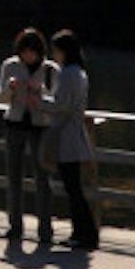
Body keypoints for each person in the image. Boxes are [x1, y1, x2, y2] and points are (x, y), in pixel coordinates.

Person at [0, 26, 56, 251]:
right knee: (14, 177)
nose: (28, 56)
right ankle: (15, 226)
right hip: (15, 124)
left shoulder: (50, 69)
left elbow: (56, 100)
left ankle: (45, 230)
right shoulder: (9, 65)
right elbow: (0, 97)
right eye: (24, 52)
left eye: (32, 52)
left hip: (41, 127)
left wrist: (39, 92)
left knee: (43, 180)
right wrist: (11, 90)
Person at [45, 28, 98, 256]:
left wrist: (39, 100)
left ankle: (84, 234)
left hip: (67, 135)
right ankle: (83, 233)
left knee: (73, 188)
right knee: (74, 187)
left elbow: (61, 105)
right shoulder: (79, 72)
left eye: (55, 50)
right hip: (75, 133)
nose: (53, 55)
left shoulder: (68, 74)